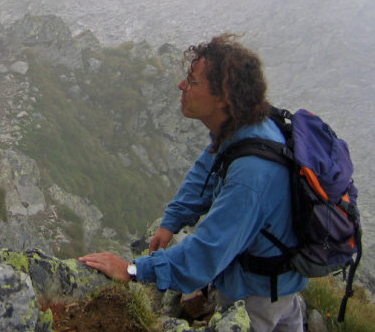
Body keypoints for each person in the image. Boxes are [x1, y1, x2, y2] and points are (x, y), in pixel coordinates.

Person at [79, 34, 307, 332]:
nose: (182, 86)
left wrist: (132, 270)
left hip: (258, 293)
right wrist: (172, 221)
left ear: (223, 97)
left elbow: (207, 253)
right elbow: (208, 166)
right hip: (278, 277)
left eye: (193, 81)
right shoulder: (244, 127)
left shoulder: (252, 174)